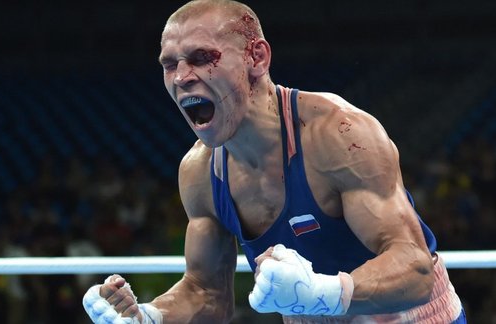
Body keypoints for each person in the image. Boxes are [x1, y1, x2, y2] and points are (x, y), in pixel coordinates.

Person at [83, 0, 467, 323]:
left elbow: (415, 269)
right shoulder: (200, 172)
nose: (182, 77)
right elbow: (207, 292)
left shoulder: (338, 134)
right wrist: (149, 316)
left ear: (257, 57)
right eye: (170, 64)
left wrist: (322, 291)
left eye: (202, 58)